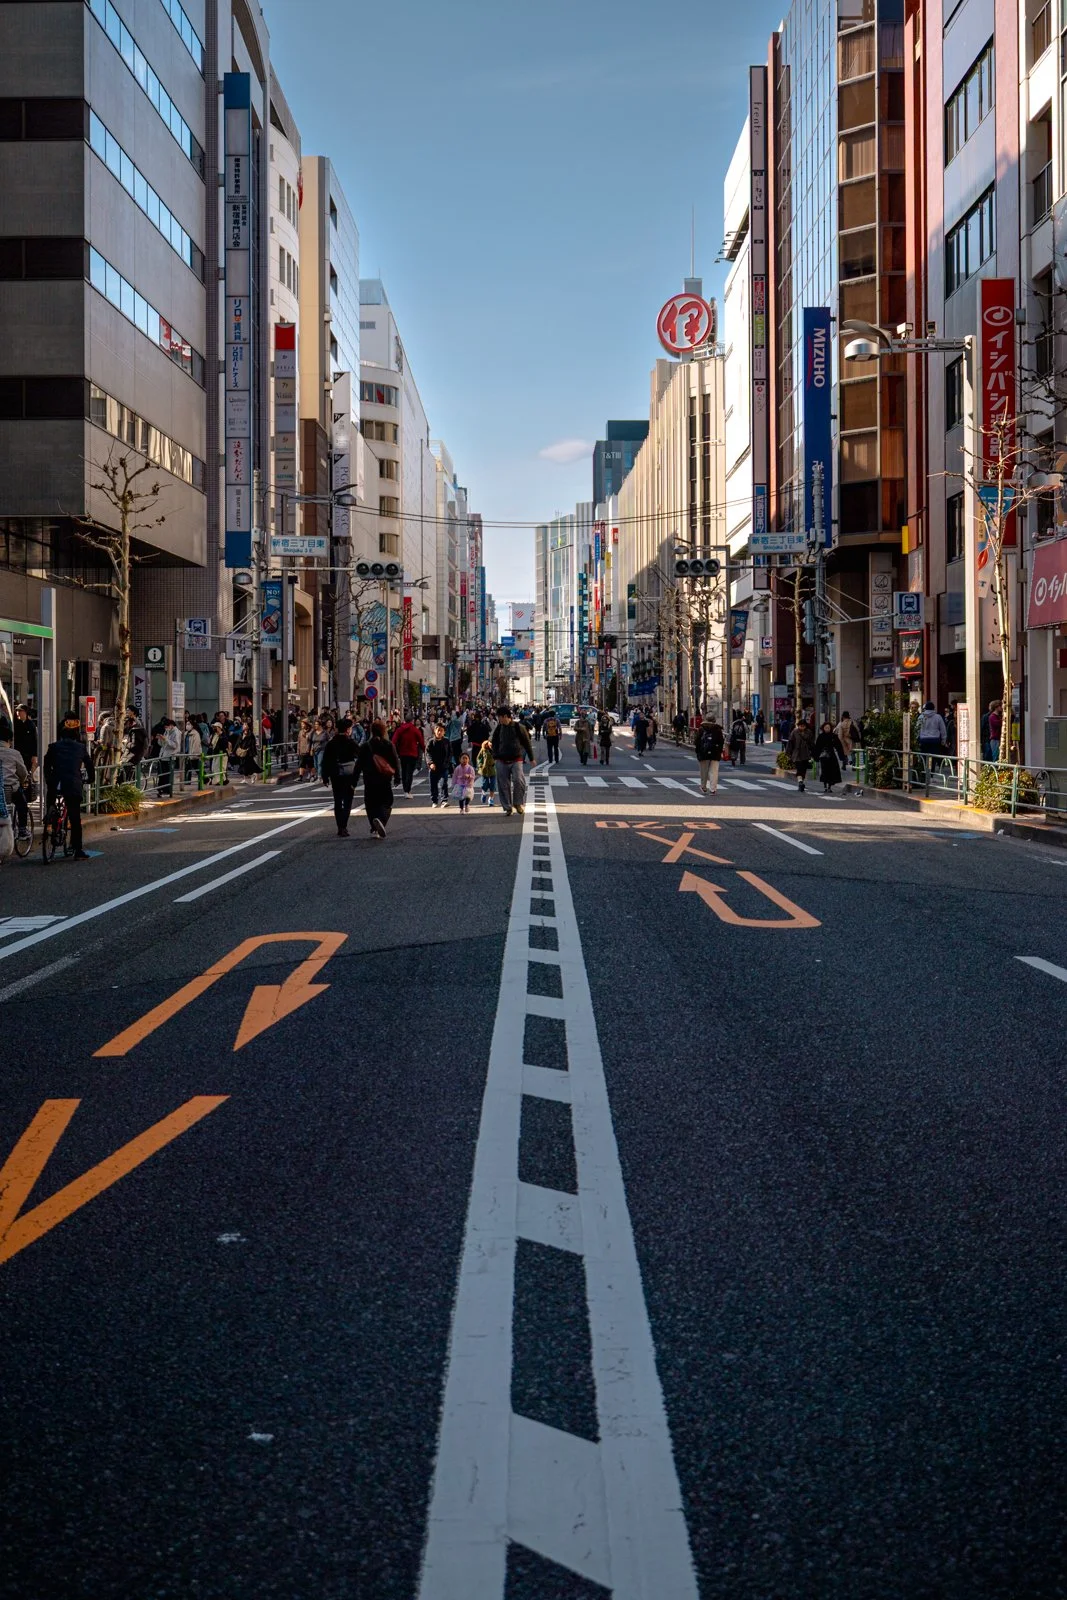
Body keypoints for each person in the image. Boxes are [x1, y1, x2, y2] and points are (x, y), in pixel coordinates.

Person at [43, 710, 94, 859]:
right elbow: (89, 765)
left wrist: (49, 779)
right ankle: (77, 850)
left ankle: (50, 812)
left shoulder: (53, 747)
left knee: (52, 797)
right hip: (72, 784)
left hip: (56, 783)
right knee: (75, 818)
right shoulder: (80, 747)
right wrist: (90, 779)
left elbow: (47, 766)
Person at [354, 718, 399, 838]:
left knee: (370, 803)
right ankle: (381, 820)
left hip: (369, 778)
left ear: (371, 731)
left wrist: (354, 781)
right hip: (384, 778)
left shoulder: (365, 746)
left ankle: (374, 827)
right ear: (383, 731)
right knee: (387, 802)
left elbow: (358, 765)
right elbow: (395, 761)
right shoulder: (388, 745)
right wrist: (398, 777)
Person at [320, 717, 362, 837]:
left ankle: (340, 826)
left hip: (335, 773)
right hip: (349, 774)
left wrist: (325, 776)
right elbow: (360, 756)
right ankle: (344, 825)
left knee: (338, 800)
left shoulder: (331, 743)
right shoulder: (351, 742)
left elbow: (325, 761)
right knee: (348, 800)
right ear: (348, 730)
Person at [490, 705, 534, 816]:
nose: (498, 719)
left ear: (505, 716)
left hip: (516, 759)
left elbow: (527, 743)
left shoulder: (519, 727)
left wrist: (531, 758)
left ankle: (518, 804)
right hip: (501, 759)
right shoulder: (499, 728)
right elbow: (494, 742)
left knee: (519, 781)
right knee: (503, 784)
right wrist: (494, 756)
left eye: (499, 717)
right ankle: (507, 807)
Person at [0, 717, 31, 840]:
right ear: (9, 740)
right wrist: (24, 781)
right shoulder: (14, 753)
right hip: (10, 789)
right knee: (22, 804)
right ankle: (22, 830)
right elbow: (22, 773)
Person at [392, 715, 426, 796]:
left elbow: (393, 740)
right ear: (412, 721)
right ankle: (408, 790)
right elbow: (421, 742)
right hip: (413, 753)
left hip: (402, 753)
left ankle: (405, 790)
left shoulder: (400, 729)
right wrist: (426, 751)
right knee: (410, 772)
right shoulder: (415, 730)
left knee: (403, 771)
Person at [694, 716, 724, 795]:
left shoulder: (701, 729)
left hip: (703, 753)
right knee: (714, 771)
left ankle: (703, 787)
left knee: (704, 771)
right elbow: (721, 742)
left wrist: (698, 752)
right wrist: (719, 751)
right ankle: (712, 789)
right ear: (714, 721)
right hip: (715, 753)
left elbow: (696, 741)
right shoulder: (718, 729)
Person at [813, 720, 845, 793]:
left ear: (831, 728)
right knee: (824, 771)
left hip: (832, 756)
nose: (827, 729)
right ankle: (825, 786)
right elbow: (817, 747)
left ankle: (829, 787)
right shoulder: (821, 736)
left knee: (832, 771)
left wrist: (842, 756)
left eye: (828, 727)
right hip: (823, 756)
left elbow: (838, 746)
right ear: (823, 728)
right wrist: (816, 757)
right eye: (825, 727)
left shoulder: (833, 736)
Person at [426, 723, 452, 808]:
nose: (440, 732)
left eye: (441, 730)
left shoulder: (446, 741)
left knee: (444, 783)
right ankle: (434, 801)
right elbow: (427, 753)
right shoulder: (431, 741)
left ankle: (444, 800)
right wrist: (431, 763)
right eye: (438, 730)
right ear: (435, 731)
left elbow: (450, 753)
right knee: (433, 784)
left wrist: (448, 763)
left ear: (444, 732)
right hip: (433, 767)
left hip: (443, 766)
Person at [786, 717, 814, 793]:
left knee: (804, 770)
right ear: (798, 726)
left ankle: (801, 782)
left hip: (806, 754)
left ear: (805, 726)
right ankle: (800, 783)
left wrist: (813, 753)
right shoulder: (794, 732)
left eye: (803, 726)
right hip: (797, 754)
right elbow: (790, 743)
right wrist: (788, 753)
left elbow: (811, 744)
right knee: (799, 769)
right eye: (800, 726)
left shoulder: (809, 733)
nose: (802, 727)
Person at [477, 739, 497, 805]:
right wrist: (480, 765)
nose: (491, 745)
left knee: (493, 784)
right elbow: (479, 758)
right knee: (484, 784)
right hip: (484, 770)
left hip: (492, 769)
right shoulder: (483, 750)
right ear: (488, 743)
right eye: (490, 743)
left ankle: (491, 799)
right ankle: (483, 793)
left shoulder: (496, 750)